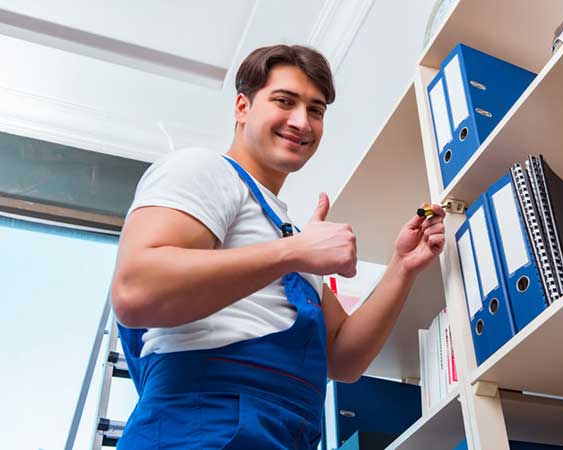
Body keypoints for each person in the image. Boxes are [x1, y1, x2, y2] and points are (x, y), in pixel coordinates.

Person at [111, 44, 446, 449]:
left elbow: (344, 360)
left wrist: (402, 266)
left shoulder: (287, 234)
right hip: (200, 428)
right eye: (284, 101)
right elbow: (135, 290)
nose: (302, 122)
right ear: (242, 107)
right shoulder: (204, 170)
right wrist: (295, 252)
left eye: (316, 110)